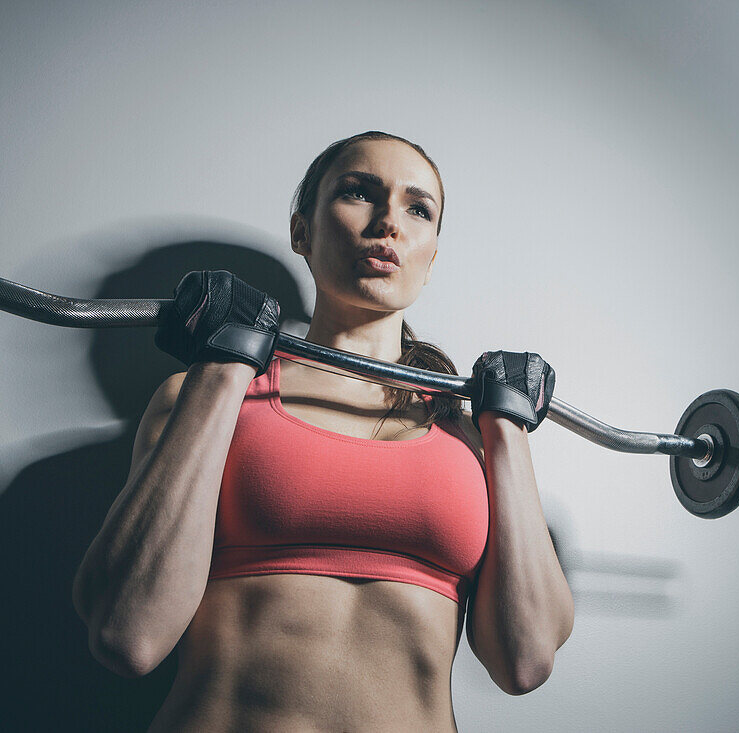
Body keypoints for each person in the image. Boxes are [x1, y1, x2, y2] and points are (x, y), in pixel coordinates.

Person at [71, 131, 575, 732]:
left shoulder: (468, 435)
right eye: (359, 193)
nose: (388, 222)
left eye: (418, 209)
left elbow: (525, 660)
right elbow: (127, 633)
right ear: (300, 232)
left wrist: (509, 431)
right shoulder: (208, 399)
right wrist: (221, 367)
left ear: (431, 253)